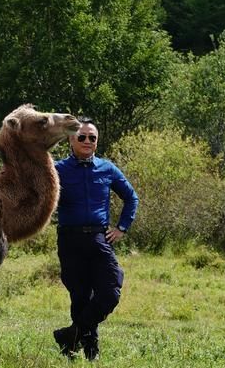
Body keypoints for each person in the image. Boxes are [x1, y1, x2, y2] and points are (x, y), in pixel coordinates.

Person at [53, 117, 139, 360]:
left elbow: (131, 198)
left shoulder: (107, 168)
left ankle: (70, 335)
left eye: (92, 137)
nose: (88, 141)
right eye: (82, 137)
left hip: (100, 239)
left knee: (111, 291)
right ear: (71, 139)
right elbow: (40, 195)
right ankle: (90, 352)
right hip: (70, 241)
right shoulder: (58, 170)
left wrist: (122, 227)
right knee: (79, 296)